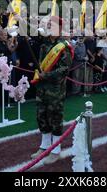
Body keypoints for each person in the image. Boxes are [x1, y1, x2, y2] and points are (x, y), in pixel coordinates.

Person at [31, 16, 73, 165]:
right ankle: (44, 147)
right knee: (41, 116)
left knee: (55, 118)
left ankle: (55, 150)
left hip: (55, 89)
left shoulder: (64, 46)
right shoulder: (44, 45)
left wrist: (46, 75)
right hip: (42, 88)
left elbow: (64, 70)